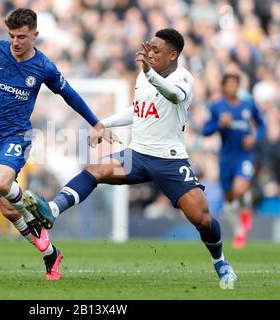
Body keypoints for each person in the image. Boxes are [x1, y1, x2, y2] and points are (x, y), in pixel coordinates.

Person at [22, 28, 237, 288]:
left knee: (203, 219)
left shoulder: (184, 78)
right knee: (96, 169)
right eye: (150, 48)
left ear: (173, 55)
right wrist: (104, 123)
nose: (150, 53)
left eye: (157, 50)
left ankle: (221, 262)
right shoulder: (143, 77)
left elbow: (173, 95)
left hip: (170, 161)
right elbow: (138, 110)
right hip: (137, 155)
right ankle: (53, 209)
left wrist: (149, 72)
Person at [0, 8, 105, 280]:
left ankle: (35, 205)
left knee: (0, 182)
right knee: (6, 209)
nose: (16, 42)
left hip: (17, 135)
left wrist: (96, 122)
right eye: (12, 36)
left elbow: (70, 94)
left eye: (22, 37)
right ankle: (51, 254)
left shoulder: (43, 67)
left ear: (35, 36)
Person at [202, 74, 266, 249]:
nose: (231, 88)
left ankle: (245, 212)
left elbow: (262, 125)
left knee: (239, 189)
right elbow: (206, 131)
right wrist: (220, 125)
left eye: (234, 85)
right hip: (226, 157)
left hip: (244, 155)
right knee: (229, 198)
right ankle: (239, 232)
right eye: (228, 84)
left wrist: (254, 137)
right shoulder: (217, 107)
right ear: (223, 87)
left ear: (238, 87)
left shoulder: (248, 105)